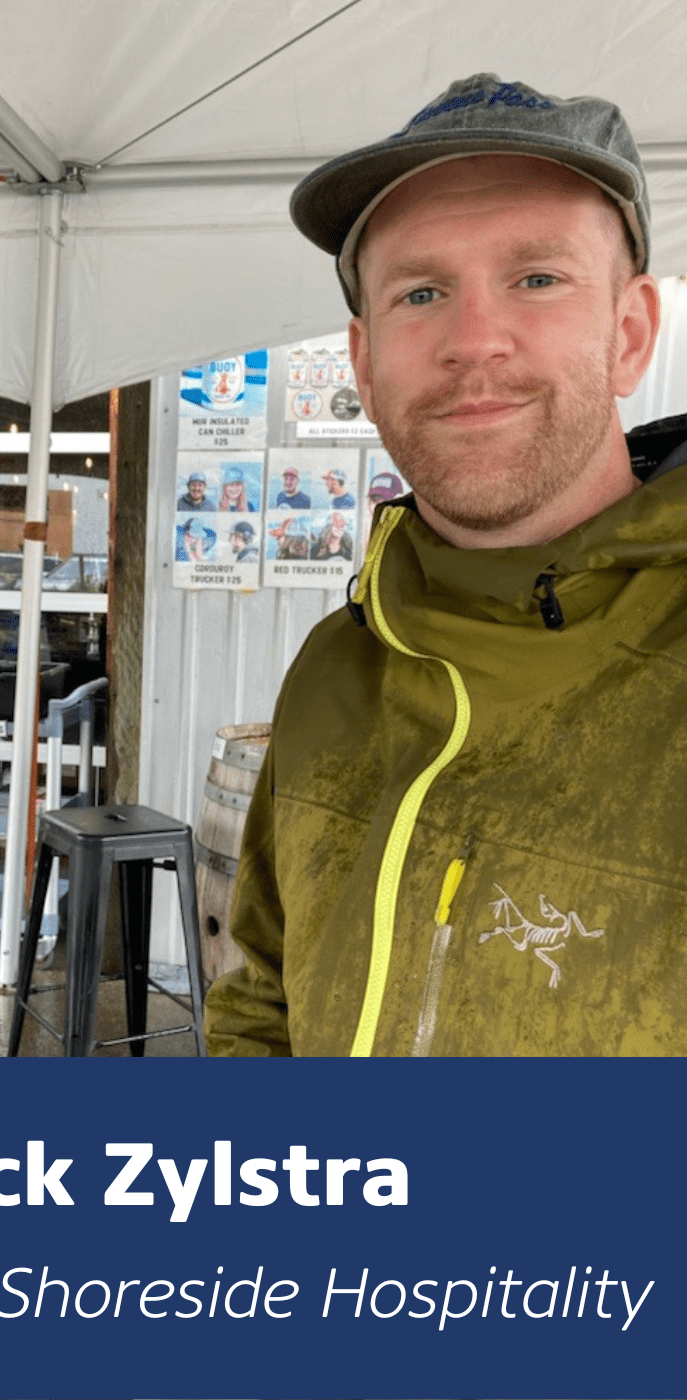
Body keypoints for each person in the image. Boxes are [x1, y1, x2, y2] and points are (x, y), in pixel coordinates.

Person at [204, 73, 687, 1058]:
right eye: (421, 293)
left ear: (630, 333)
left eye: (537, 278)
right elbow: (260, 1001)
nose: (474, 342)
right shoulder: (334, 670)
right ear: (366, 362)